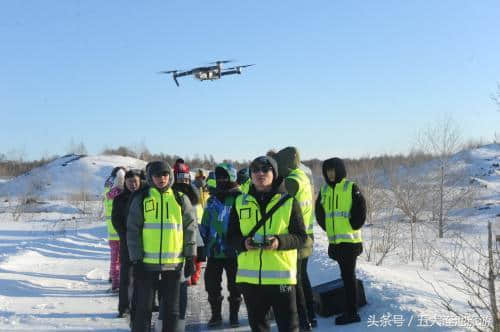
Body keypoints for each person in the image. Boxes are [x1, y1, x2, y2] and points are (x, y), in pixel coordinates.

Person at [228, 156, 307, 332]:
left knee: (289, 327)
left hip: (281, 278)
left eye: (265, 169)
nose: (260, 173)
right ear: (250, 174)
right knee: (259, 328)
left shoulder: (288, 202)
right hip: (250, 280)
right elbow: (231, 236)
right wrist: (243, 243)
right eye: (255, 170)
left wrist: (279, 241)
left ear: (275, 172)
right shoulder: (240, 202)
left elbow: (301, 237)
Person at [127, 160, 197, 332]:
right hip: (146, 266)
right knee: (144, 309)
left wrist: (190, 257)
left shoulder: (180, 199)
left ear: (170, 176)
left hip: (173, 266)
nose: (162, 178)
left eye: (165, 175)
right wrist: (136, 260)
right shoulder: (142, 198)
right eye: (157, 175)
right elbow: (133, 231)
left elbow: (190, 229)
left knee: (171, 311)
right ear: (151, 177)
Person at [315, 157, 366, 325]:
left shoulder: (350, 187)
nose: (330, 174)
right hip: (335, 241)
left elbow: (360, 208)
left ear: (340, 171)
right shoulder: (324, 191)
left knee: (348, 276)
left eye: (333, 171)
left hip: (350, 242)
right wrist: (328, 229)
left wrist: (354, 224)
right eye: (327, 171)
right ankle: (350, 307)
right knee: (346, 276)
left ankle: (352, 312)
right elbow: (320, 212)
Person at [275, 147, 316, 330]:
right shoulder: (303, 176)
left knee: (296, 282)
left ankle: (303, 321)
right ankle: (310, 316)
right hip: (306, 235)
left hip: (297, 239)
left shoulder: (291, 181)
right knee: (302, 279)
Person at [199, 162, 242, 328]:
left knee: (236, 285)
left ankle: (234, 316)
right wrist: (201, 246)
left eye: (225, 176)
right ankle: (216, 315)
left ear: (231, 177)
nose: (222, 180)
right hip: (214, 251)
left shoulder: (240, 199)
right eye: (219, 177)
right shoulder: (211, 200)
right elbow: (205, 224)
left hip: (235, 251)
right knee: (211, 284)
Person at [111, 169, 145, 319]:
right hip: (127, 242)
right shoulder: (119, 199)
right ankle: (124, 307)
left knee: (146, 275)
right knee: (126, 276)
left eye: (135, 181)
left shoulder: (146, 196)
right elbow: (115, 220)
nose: (132, 184)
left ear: (140, 181)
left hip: (145, 242)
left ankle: (146, 304)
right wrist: (124, 235)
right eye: (130, 182)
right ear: (125, 182)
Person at [172, 161, 204, 286]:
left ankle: (194, 276)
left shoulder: (193, 192)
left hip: (195, 226)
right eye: (180, 178)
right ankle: (187, 277)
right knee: (184, 254)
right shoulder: (173, 193)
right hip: (178, 229)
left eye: (185, 178)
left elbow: (198, 210)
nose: (183, 181)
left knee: (195, 254)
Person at [104, 166, 126, 292]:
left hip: (111, 230)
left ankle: (114, 280)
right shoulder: (121, 192)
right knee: (122, 260)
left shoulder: (108, 186)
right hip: (122, 230)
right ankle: (119, 283)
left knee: (114, 259)